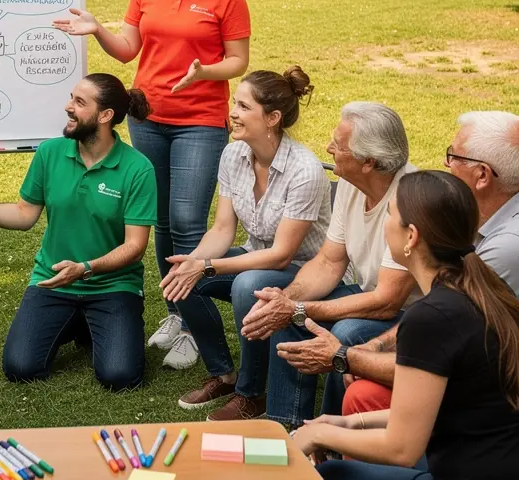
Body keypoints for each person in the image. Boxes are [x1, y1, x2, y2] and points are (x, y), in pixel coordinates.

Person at [291, 171, 519, 480]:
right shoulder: (482, 292)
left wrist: (316, 435)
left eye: (391, 216)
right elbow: (438, 409)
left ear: (411, 237)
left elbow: (401, 448)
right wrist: (346, 424)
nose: (387, 225)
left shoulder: (434, 317)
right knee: (359, 474)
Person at [53, 0, 250, 370]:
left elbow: (238, 61)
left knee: (186, 218)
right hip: (147, 117)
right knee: (159, 220)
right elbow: (127, 50)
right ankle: (177, 313)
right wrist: (97, 29)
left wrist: (205, 70)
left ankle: (194, 324)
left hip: (200, 120)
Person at [0, 75, 156, 391]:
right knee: (21, 367)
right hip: (52, 279)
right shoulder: (50, 153)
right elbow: (23, 214)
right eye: (71, 98)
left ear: (105, 116)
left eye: (79, 102)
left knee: (120, 377)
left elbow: (135, 246)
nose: (68, 107)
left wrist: (86, 269)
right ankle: (78, 322)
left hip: (112, 284)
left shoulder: (137, 168)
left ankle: (89, 323)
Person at [279, 110, 519, 416]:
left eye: (453, 155)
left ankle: (328, 445)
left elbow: (436, 338)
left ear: (483, 175)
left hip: (484, 390)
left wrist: (347, 356)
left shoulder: (505, 246)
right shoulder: (471, 215)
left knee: (356, 364)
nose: (445, 164)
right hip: (463, 355)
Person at [161, 67, 330, 421]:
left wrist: (208, 266)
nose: (232, 113)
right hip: (259, 257)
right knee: (183, 278)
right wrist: (193, 262)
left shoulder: (305, 169)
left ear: (272, 118)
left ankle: (252, 393)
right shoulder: (233, 154)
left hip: (306, 271)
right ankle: (224, 373)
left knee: (247, 285)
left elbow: (282, 255)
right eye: (233, 104)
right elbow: (222, 229)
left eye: (242, 106)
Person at [239, 103, 417, 430]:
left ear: (369, 162)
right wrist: (286, 300)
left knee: (346, 331)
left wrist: (297, 307)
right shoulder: (352, 181)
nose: (328, 148)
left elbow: (388, 300)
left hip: (407, 316)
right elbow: (328, 260)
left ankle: (329, 436)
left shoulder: (409, 200)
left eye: (339, 144)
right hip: (366, 293)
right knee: (285, 308)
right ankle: (286, 425)